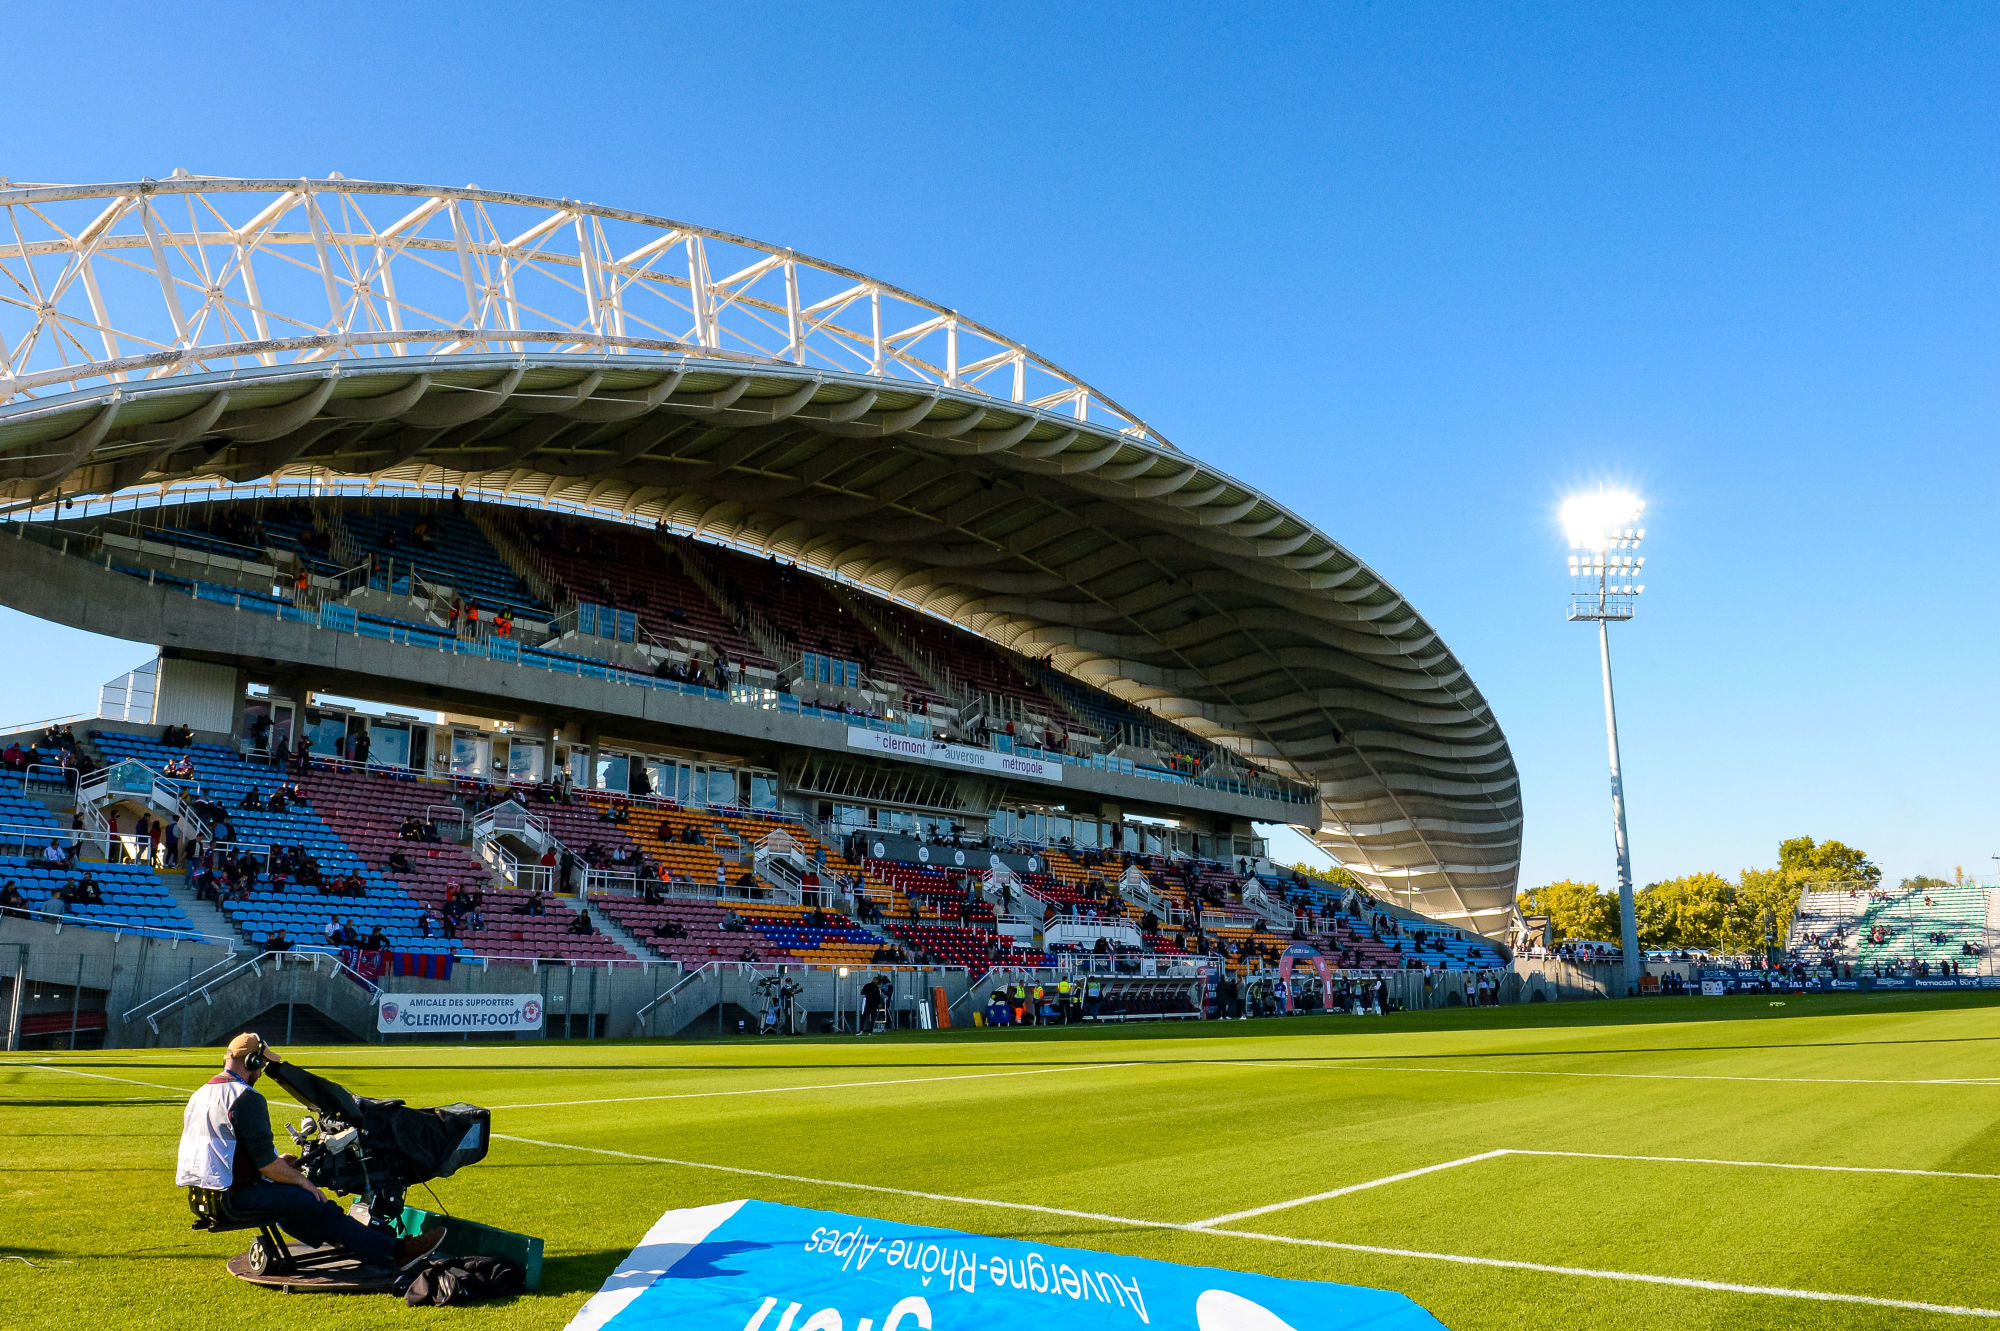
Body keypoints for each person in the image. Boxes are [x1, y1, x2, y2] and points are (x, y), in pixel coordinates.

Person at [175, 1034, 443, 1276]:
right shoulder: (245, 1097)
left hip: (206, 1193)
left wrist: (282, 1167)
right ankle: (396, 1251)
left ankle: (356, 1240)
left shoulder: (201, 1094)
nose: (262, 1072)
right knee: (313, 1200)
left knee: (301, 1204)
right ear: (254, 1060)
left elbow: (227, 1153)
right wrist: (301, 1180)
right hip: (236, 1195)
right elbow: (266, 1166)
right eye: (262, 1064)